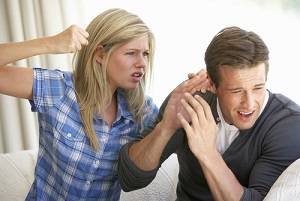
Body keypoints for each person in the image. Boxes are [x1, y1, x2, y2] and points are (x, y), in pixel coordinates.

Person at [0, 8, 208, 201]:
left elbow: (174, 137)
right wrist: (50, 44)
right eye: (131, 53)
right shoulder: (58, 89)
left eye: (145, 54)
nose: (142, 63)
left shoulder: (142, 112)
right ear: (100, 54)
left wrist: (204, 87)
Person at [118, 26, 300, 201]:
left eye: (258, 88)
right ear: (212, 84)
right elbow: (130, 180)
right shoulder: (192, 99)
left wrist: (207, 153)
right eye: (236, 91)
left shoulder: (288, 125)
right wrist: (165, 127)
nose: (250, 103)